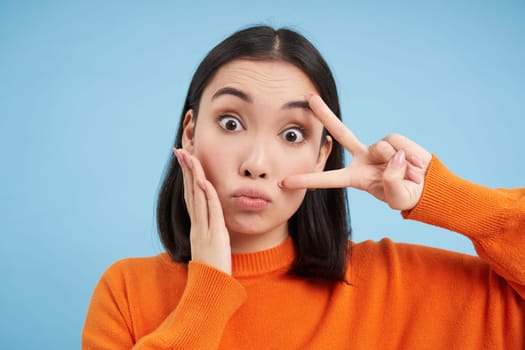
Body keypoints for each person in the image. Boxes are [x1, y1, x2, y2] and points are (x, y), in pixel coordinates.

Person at [82, 26, 524, 349]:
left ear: (321, 154)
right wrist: (209, 291)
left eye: (292, 134)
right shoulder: (127, 292)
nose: (256, 164)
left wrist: (446, 197)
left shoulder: (397, 285)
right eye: (231, 122)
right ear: (191, 132)